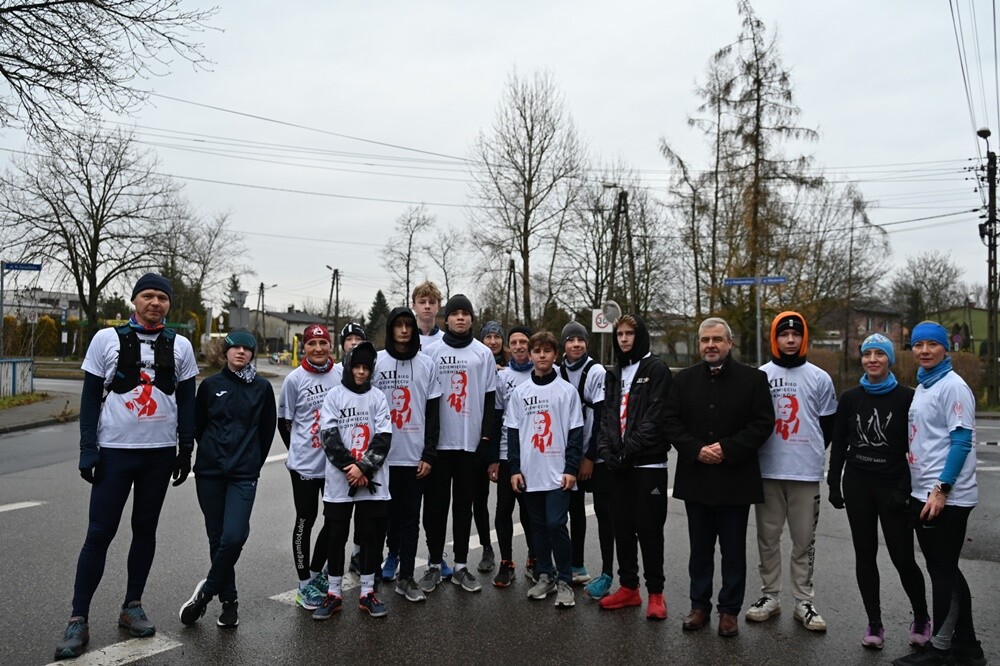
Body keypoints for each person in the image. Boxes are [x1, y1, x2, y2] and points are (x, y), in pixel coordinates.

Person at [55, 273, 198, 661]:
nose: (155, 303)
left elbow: (187, 400)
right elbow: (89, 398)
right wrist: (88, 449)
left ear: (169, 304)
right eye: (147, 296)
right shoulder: (106, 339)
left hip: (159, 454)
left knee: (145, 530)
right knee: (99, 533)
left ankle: (132, 605)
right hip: (115, 452)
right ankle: (78, 618)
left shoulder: (181, 345)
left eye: (162, 298)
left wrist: (186, 449)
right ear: (134, 300)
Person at [665, 317, 773, 638]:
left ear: (729, 343)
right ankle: (699, 606)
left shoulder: (754, 379)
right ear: (698, 344)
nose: (710, 345)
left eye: (716, 339)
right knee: (699, 549)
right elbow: (670, 422)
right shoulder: (683, 380)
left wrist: (727, 448)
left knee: (733, 551)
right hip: (697, 476)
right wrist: (695, 449)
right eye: (705, 340)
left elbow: (763, 423)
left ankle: (729, 611)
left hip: (735, 478)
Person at [828, 333, 929, 650]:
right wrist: (833, 482)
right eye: (867, 353)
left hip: (892, 485)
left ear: (890, 360)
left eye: (879, 354)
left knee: (902, 556)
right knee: (865, 554)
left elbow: (916, 448)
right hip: (857, 483)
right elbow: (839, 443)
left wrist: (905, 488)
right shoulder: (850, 398)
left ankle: (922, 618)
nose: (872, 359)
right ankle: (874, 623)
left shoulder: (907, 397)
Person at [891, 322, 985, 666]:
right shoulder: (925, 384)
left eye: (932, 344)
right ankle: (968, 647)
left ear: (946, 348)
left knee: (943, 570)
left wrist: (942, 489)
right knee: (944, 569)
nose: (924, 350)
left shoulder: (953, 386)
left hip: (946, 496)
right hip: (925, 492)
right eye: (918, 345)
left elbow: (961, 441)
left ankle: (941, 649)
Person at [178, 329, 277, 628]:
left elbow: (267, 431)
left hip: (243, 474)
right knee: (218, 537)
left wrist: (252, 463)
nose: (241, 352)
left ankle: (206, 592)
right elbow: (199, 426)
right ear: (226, 352)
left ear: (252, 354)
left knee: (235, 536)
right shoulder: (210, 386)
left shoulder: (262, 388)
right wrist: (207, 454)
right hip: (209, 473)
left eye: (247, 349)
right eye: (235, 348)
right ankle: (229, 602)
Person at [748, 311, 837, 632]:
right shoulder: (761, 375)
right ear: (774, 338)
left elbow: (828, 425)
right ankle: (770, 596)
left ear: (803, 338)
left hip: (805, 474)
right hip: (767, 472)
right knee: (768, 538)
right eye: (783, 335)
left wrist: (805, 450)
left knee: (803, 541)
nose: (790, 340)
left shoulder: (820, 378)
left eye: (796, 335)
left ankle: (804, 601)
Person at [595, 313, 672, 621]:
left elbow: (656, 418)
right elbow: (607, 415)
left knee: (649, 529)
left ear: (640, 336)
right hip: (619, 465)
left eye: (629, 333)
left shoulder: (656, 369)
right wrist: (606, 450)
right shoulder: (614, 372)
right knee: (622, 527)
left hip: (648, 463)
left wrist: (628, 450)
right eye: (620, 334)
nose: (624, 339)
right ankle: (629, 587)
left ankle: (656, 593)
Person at [420, 294, 496, 594]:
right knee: (435, 508)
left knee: (464, 507)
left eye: (465, 313)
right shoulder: (431, 352)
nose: (460, 318)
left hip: (469, 445)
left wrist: (486, 439)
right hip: (439, 446)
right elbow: (425, 401)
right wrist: (426, 443)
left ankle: (461, 565)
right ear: (446, 318)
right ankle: (434, 564)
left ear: (472, 319)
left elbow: (490, 399)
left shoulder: (483, 354)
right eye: (455, 313)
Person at [312, 341, 392, 620]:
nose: (360, 372)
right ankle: (333, 593)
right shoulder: (334, 396)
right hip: (340, 480)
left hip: (371, 479)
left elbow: (383, 437)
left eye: (365, 368)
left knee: (369, 534)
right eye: (356, 367)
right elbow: (328, 436)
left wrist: (364, 468)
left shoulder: (378, 397)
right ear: (348, 367)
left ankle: (367, 592)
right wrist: (352, 468)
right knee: (336, 535)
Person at [507, 331, 584, 609]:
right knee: (537, 527)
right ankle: (545, 576)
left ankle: (565, 580)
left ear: (555, 355)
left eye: (547, 351)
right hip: (530, 474)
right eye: (537, 351)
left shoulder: (567, 391)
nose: (541, 355)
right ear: (530, 355)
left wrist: (571, 468)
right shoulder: (520, 392)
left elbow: (576, 433)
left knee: (555, 524)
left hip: (559, 474)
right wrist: (515, 468)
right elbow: (513, 433)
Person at [372, 307, 441, 602]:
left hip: (414, 458)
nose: (403, 330)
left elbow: (434, 413)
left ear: (413, 329)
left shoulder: (426, 364)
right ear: (390, 329)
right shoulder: (376, 361)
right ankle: (373, 577)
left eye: (408, 325)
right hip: (382, 459)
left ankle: (407, 577)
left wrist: (428, 454)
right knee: (381, 519)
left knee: (411, 519)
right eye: (398, 325)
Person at [278, 324, 340, 611]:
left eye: (322, 343)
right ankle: (304, 585)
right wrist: (299, 449)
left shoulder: (340, 374)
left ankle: (315, 574)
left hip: (334, 465)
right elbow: (284, 422)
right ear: (304, 347)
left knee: (334, 521)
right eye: (312, 344)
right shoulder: (294, 379)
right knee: (306, 519)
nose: (318, 348)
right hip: (304, 466)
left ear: (330, 346)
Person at [557, 320, 609, 596]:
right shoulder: (558, 371)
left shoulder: (596, 371)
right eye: (570, 340)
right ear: (563, 344)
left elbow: (602, 417)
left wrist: (590, 456)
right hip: (568, 454)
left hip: (593, 455)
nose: (576, 344)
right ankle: (575, 565)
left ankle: (607, 572)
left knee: (604, 513)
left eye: (580, 340)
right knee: (573, 510)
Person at [488, 325, 536, 586]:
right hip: (508, 452)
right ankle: (506, 561)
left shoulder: (544, 371)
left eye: (523, 342)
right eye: (514, 342)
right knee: (504, 509)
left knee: (530, 511)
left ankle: (534, 557)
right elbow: (496, 419)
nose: (518, 346)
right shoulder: (502, 376)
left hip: (535, 454)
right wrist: (494, 458)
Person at [412, 280, 444, 349]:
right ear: (414, 306)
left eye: (432, 302)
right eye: (422, 302)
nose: (427, 306)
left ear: (438, 307)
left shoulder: (445, 341)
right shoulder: (406, 339)